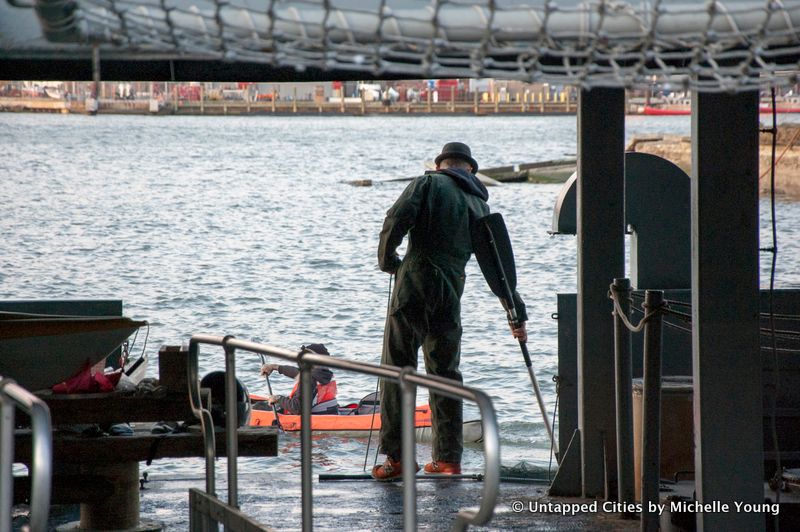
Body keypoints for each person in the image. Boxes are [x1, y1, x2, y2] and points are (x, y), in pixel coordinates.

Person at [372, 142, 528, 481]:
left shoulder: (427, 183)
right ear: (469, 169)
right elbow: (498, 266)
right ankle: (447, 459)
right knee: (445, 371)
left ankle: (397, 459)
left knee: (398, 366)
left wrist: (387, 259)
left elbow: (396, 218)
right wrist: (515, 313)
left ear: (442, 164)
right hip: (452, 288)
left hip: (416, 279)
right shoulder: (478, 203)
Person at [259, 344, 339, 415]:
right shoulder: (325, 374)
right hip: (330, 412)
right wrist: (275, 367)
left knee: (259, 407)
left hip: (314, 417)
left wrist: (278, 398)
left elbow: (297, 408)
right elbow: (298, 372)